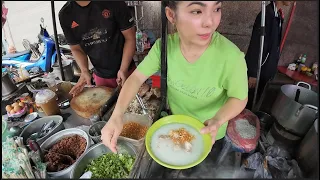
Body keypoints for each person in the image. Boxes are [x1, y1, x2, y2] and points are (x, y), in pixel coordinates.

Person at [101, 1, 249, 153]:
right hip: (174, 126)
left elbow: (239, 98)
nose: (210, 22)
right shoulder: (163, 48)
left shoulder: (231, 57)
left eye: (217, 9)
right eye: (197, 11)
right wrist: (116, 116)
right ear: (171, 15)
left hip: (210, 134)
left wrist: (217, 120)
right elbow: (136, 78)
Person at [59, 1, 136, 96]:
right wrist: (84, 71)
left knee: (134, 106)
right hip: (101, 77)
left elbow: (130, 38)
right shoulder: (66, 14)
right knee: (107, 108)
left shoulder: (115, 2)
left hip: (127, 70)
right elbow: (75, 48)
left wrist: (123, 69)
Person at [245, 1, 292, 109]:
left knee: (257, 99)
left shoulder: (277, 15)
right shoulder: (266, 15)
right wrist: (253, 73)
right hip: (259, 69)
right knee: (249, 99)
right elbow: (256, 44)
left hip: (267, 69)